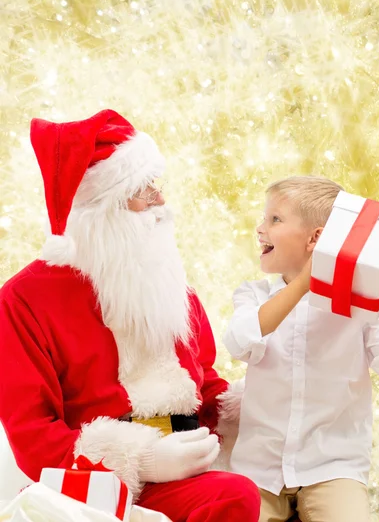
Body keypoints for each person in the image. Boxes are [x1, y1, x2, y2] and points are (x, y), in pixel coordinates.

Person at [0, 110, 260, 522]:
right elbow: (34, 437)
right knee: (234, 496)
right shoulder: (24, 299)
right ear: (101, 208)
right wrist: (143, 459)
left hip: (191, 468)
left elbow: (202, 381)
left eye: (157, 186)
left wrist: (257, 402)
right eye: (143, 190)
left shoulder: (166, 281)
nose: (161, 201)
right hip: (96, 488)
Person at [222, 176, 379, 522]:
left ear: (316, 239)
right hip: (259, 468)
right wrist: (305, 283)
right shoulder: (254, 295)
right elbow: (240, 342)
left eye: (275, 219)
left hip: (333, 467)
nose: (260, 228)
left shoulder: (361, 308)